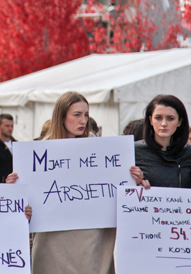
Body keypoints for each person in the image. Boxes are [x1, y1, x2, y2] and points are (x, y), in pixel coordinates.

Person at [18, 91, 143, 274]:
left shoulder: (101, 150)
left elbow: (115, 189)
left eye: (86, 115)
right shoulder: (40, 152)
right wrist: (16, 185)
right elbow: (28, 198)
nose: (83, 121)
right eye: (77, 115)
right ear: (61, 117)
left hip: (92, 238)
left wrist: (135, 180)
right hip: (52, 239)